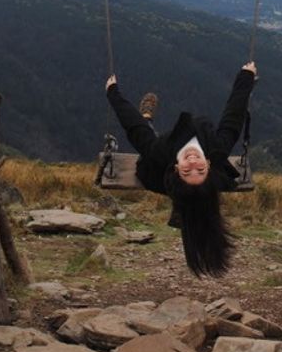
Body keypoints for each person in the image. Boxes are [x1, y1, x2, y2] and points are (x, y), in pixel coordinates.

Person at [105, 62, 258, 277]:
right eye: (200, 170)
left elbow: (133, 126)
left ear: (176, 169)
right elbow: (233, 116)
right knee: (195, 199)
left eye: (187, 171)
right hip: (185, 170)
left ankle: (147, 118)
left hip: (155, 173)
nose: (194, 163)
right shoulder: (216, 149)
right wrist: (246, 77)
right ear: (210, 166)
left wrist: (112, 92)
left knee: (145, 134)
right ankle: (188, 207)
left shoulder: (159, 153)